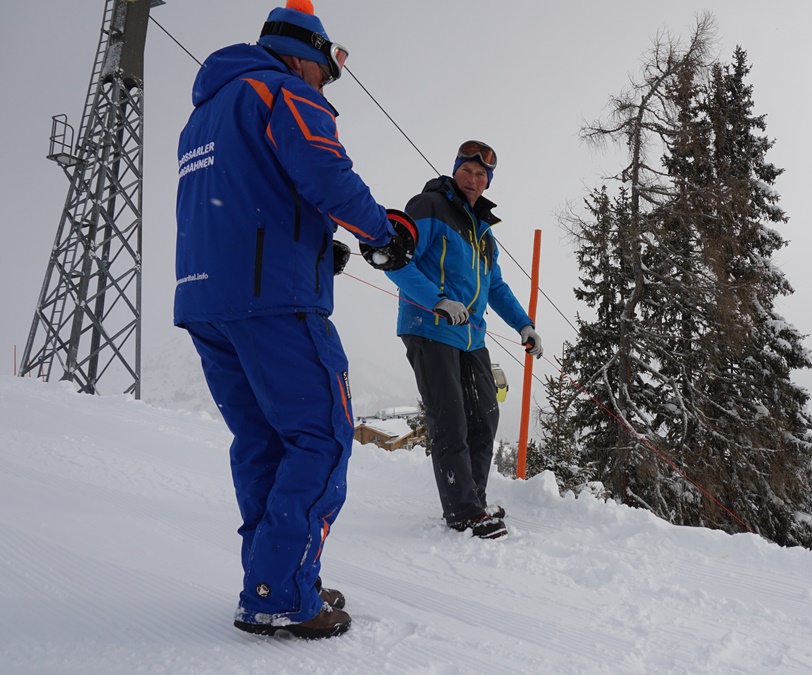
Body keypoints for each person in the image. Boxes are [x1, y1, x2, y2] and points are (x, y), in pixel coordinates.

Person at [174, 0, 415, 639]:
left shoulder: (206, 112)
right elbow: (326, 175)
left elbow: (247, 199)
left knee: (262, 442)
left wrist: (312, 245)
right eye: (324, 74)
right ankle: (278, 591)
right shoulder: (283, 91)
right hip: (273, 303)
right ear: (306, 55)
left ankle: (274, 580)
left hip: (207, 300)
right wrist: (383, 234)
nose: (323, 86)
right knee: (322, 437)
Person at [385, 140, 543, 540]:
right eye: (467, 171)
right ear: (455, 171)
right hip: (429, 326)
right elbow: (395, 259)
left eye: (482, 175)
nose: (473, 180)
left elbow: (496, 286)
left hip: (471, 335)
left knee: (485, 416)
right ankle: (462, 511)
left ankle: (474, 498)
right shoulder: (428, 207)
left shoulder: (483, 233)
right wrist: (436, 300)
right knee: (450, 418)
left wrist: (524, 325)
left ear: (488, 183)